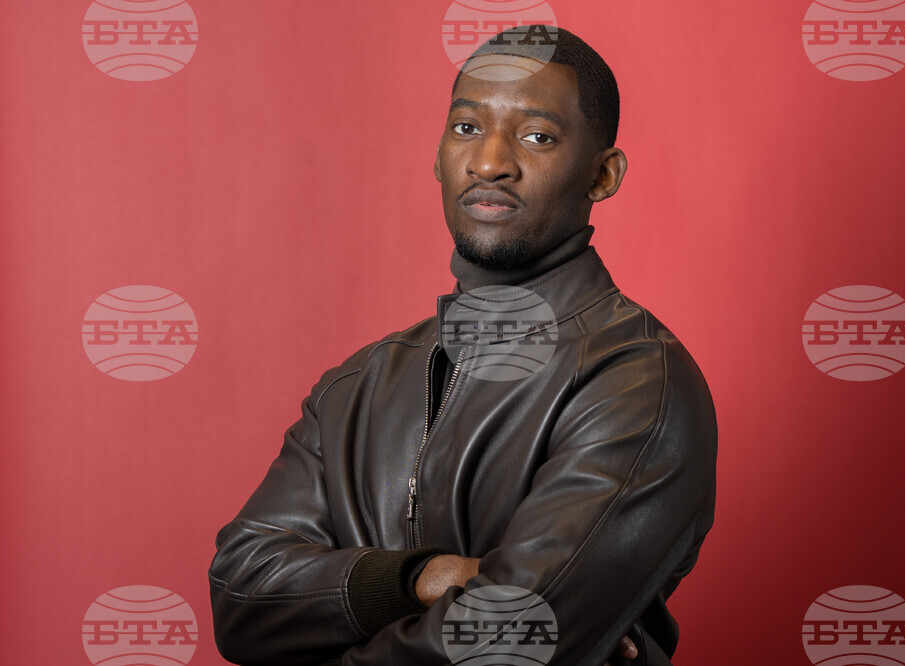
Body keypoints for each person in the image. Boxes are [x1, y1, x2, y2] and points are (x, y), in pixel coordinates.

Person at [209, 25, 717, 666]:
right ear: (438, 155)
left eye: (537, 136)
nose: (489, 162)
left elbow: (507, 640)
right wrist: (421, 577)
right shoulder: (357, 385)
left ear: (602, 174)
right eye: (467, 128)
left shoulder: (637, 380)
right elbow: (240, 597)